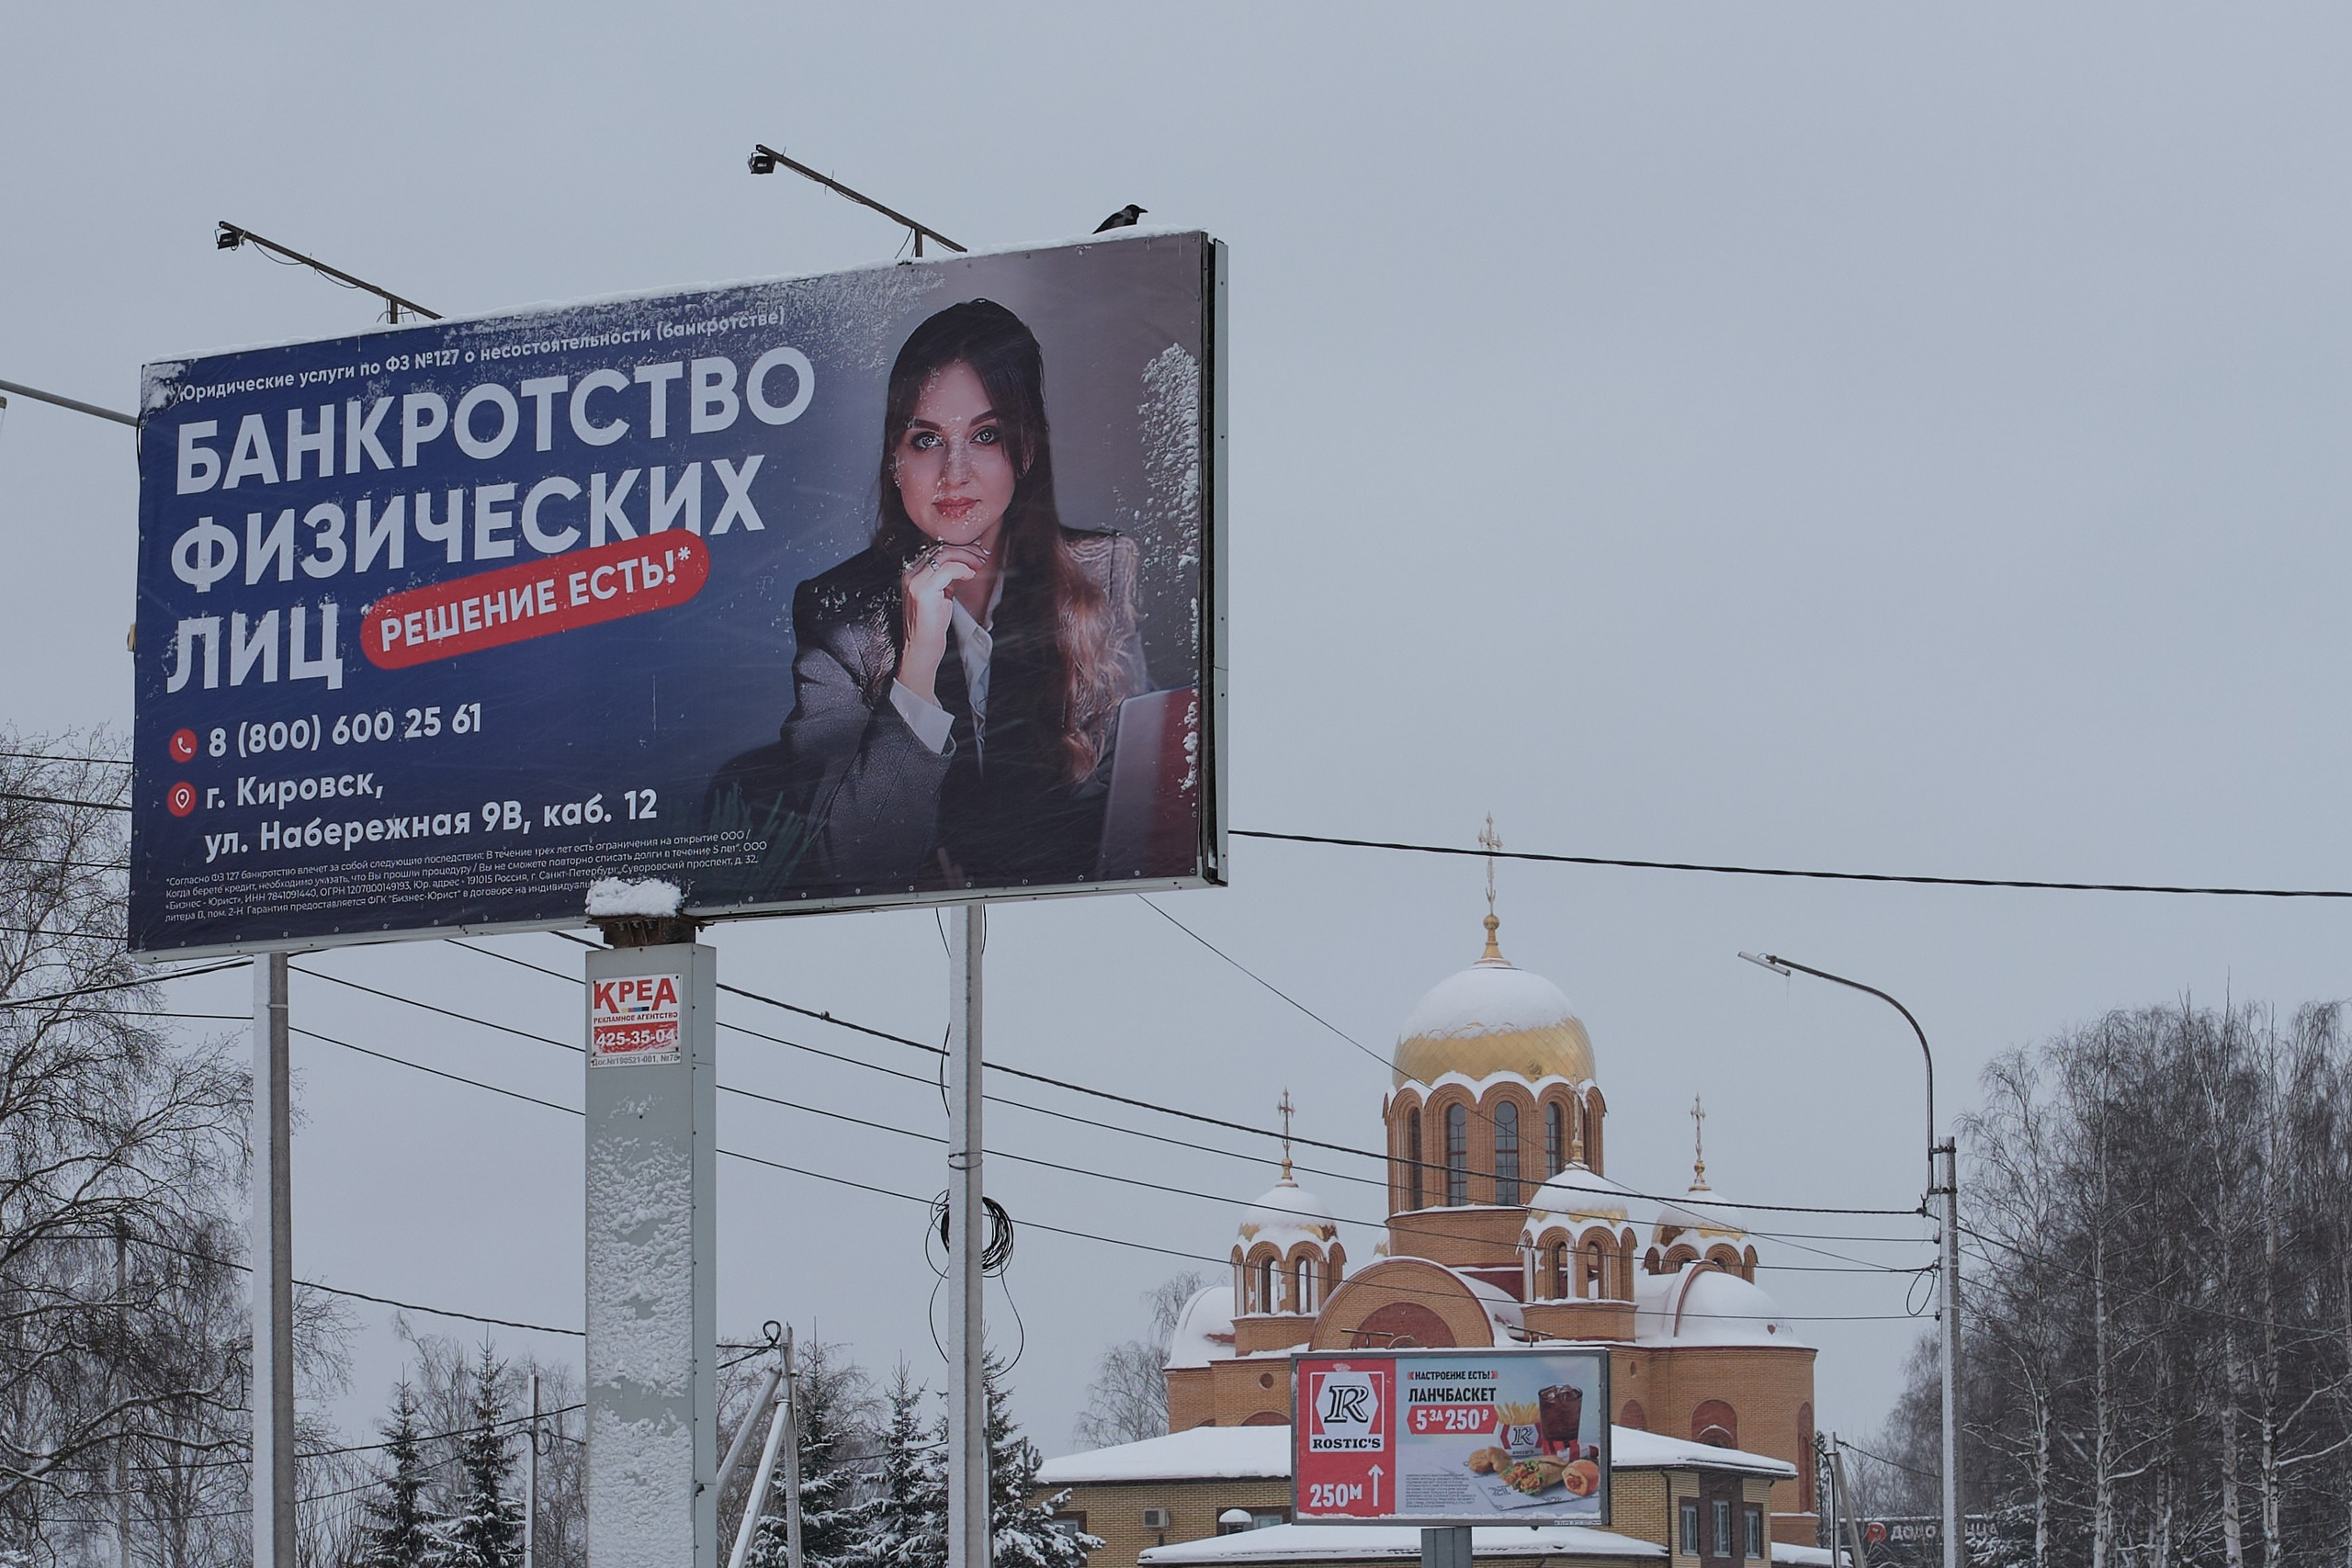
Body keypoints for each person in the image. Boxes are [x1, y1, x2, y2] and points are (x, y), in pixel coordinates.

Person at [709, 299, 1149, 896]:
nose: (954, 472)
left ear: (1024, 450)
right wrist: (918, 657)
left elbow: (1132, 824)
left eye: (986, 435)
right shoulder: (837, 614)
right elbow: (852, 864)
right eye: (926, 440)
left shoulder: (1104, 571)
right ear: (894, 460)